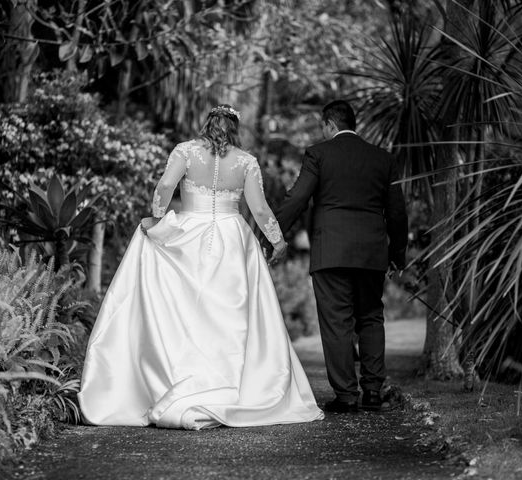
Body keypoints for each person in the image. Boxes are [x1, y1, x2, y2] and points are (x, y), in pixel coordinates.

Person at [77, 104, 324, 430]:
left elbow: (165, 187)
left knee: (186, 311)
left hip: (188, 235)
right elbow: (260, 209)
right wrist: (277, 241)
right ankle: (230, 384)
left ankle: (181, 377)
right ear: (235, 128)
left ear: (207, 124)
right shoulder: (246, 162)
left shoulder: (185, 151)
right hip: (232, 238)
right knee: (229, 315)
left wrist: (158, 218)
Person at [273, 100, 408, 413]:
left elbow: (297, 199)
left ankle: (346, 396)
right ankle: (373, 392)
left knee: (337, 324)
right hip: (372, 253)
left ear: (329, 124)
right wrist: (396, 255)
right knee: (372, 318)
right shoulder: (382, 159)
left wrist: (273, 232)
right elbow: (397, 212)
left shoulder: (318, 154)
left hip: (330, 252)